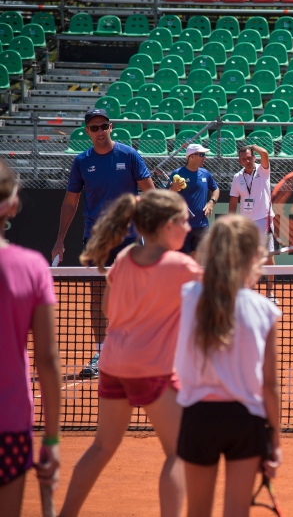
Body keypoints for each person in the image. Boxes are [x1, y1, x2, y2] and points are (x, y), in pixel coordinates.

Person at [59, 190, 202, 517]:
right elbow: (218, 299)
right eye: (183, 220)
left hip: (113, 366)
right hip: (152, 370)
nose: (189, 225)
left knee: (101, 446)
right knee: (178, 452)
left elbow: (109, 308)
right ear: (167, 225)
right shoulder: (182, 264)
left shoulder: (123, 259)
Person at [174, 215, 282, 517]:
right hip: (245, 421)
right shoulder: (265, 309)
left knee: (197, 511)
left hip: (197, 418)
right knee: (237, 511)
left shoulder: (187, 296)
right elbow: (270, 386)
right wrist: (275, 441)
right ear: (253, 257)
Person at [51, 108, 155, 378]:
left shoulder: (129, 155)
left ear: (111, 127)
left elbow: (151, 193)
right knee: (98, 296)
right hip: (96, 238)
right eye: (94, 128)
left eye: (103, 126)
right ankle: (101, 352)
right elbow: (71, 202)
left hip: (130, 238)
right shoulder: (81, 162)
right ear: (87, 132)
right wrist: (60, 240)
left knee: (131, 295)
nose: (100, 132)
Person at [0, 159, 62, 516]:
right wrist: (51, 439)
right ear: (13, 204)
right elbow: (49, 360)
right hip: (9, 425)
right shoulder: (33, 268)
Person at [228, 143, 277, 302]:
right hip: (246, 223)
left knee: (268, 255)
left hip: (264, 219)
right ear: (240, 161)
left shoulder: (263, 171)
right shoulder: (237, 177)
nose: (247, 161)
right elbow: (234, 202)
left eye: (249, 158)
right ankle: (249, 291)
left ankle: (270, 292)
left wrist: (253, 146)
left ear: (253, 157)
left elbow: (265, 154)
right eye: (244, 159)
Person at [168, 143, 220, 260]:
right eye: (201, 154)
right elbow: (167, 198)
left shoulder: (206, 174)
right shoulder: (177, 173)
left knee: (199, 258)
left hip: (201, 225)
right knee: (182, 259)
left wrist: (211, 202)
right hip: (182, 225)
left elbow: (215, 189)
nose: (204, 157)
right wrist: (173, 189)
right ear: (191, 156)